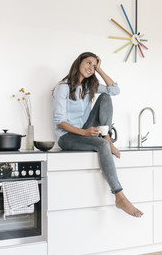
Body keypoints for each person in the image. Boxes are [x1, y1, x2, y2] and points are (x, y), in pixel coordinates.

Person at [52, 52, 143, 217]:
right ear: (78, 63)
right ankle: (120, 196)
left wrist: (100, 70)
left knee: (106, 96)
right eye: (88, 63)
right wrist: (85, 133)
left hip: (87, 131)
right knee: (101, 145)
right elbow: (59, 121)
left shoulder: (89, 86)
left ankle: (107, 138)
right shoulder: (63, 87)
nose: (90, 68)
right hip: (67, 137)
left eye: (94, 65)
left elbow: (115, 90)